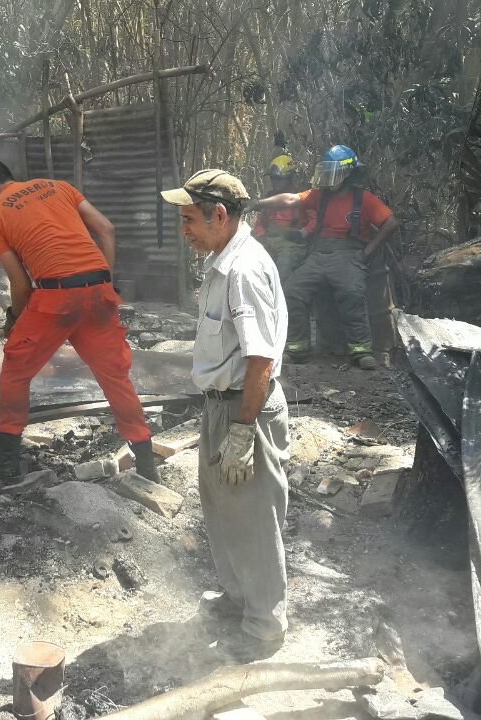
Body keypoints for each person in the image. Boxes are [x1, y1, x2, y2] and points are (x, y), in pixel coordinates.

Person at [161, 169, 290, 663]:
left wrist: (243, 431)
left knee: (254, 520)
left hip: (245, 408)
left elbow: (261, 361)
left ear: (219, 215)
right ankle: (239, 601)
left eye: (189, 220)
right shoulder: (221, 262)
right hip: (222, 406)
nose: (184, 231)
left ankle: (264, 628)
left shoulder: (244, 271)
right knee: (224, 513)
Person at [0, 158, 158, 482]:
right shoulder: (58, 186)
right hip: (99, 289)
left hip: (56, 297)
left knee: (15, 371)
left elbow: (20, 284)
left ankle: (9, 467)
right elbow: (107, 230)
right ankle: (146, 464)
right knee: (115, 377)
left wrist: (14, 319)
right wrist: (105, 282)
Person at [251, 145, 398, 370]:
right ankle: (297, 348)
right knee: (292, 290)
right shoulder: (318, 195)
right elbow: (290, 199)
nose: (329, 178)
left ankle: (360, 350)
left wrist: (367, 252)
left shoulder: (364, 199)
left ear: (348, 173)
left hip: (348, 255)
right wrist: (258, 203)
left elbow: (391, 223)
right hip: (318, 255)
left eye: (333, 172)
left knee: (351, 292)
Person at [251, 153, 306, 281]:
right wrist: (260, 235)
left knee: (284, 262)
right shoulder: (268, 198)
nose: (275, 182)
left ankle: (280, 291)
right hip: (268, 239)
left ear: (289, 178)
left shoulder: (300, 198)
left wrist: (302, 233)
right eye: (273, 179)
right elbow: (259, 222)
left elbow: (313, 222)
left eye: (279, 179)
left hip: (289, 243)